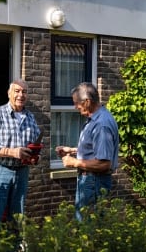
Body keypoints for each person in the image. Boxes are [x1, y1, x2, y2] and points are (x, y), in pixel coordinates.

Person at [0, 79, 41, 241]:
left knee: (17, 218)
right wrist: (13, 152)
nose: (20, 95)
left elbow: (36, 144)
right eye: (17, 91)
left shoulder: (30, 118)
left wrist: (35, 157)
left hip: (22, 172)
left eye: (24, 92)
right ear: (9, 93)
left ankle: (14, 247)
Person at [55, 82, 119, 221]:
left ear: (87, 102)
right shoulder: (96, 119)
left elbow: (104, 163)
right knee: (88, 225)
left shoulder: (101, 124)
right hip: (92, 180)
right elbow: (97, 150)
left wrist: (74, 162)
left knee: (88, 226)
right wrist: (72, 150)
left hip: (94, 182)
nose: (75, 107)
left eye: (76, 103)